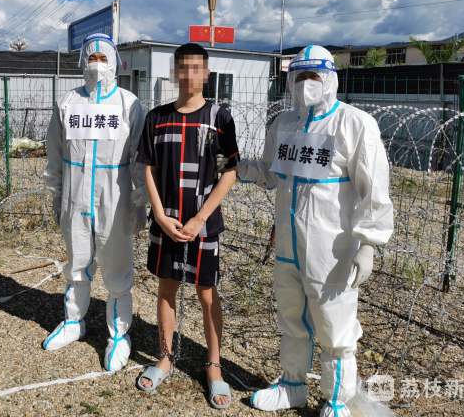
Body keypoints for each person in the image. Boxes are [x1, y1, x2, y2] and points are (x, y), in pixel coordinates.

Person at [236, 45, 393, 416]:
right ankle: (292, 385)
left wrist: (368, 244)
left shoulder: (354, 124)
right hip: (288, 244)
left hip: (331, 247)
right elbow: (270, 173)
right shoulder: (284, 124)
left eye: (314, 76)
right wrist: (236, 166)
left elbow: (374, 190)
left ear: (330, 79)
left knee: (334, 324)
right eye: (299, 76)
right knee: (292, 316)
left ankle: (337, 400)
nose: (306, 84)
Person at [134, 43, 240, 410]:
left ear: (207, 73)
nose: (189, 75)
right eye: (183, 67)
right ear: (174, 72)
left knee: (207, 293)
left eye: (197, 68)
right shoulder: (157, 118)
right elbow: (148, 168)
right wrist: (160, 215)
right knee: (166, 288)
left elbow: (229, 172)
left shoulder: (219, 118)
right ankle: (165, 356)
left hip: (202, 224)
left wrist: (200, 218)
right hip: (166, 221)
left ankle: (214, 365)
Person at [43, 33, 148, 373]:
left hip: (114, 200)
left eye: (104, 58)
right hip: (75, 197)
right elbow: (55, 151)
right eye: (92, 57)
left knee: (117, 267)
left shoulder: (129, 104)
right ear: (82, 62)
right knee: (77, 262)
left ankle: (118, 334)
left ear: (115, 63)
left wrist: (139, 202)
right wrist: (57, 194)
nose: (98, 64)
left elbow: (140, 158)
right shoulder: (68, 102)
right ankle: (74, 322)